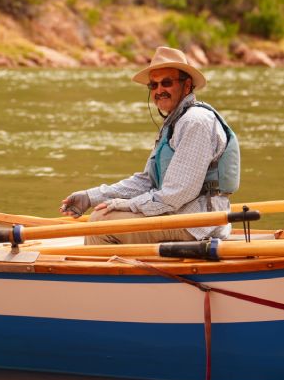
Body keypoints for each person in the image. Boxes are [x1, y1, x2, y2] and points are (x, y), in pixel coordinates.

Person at [59, 46, 240, 244]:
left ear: (187, 85)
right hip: (179, 216)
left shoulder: (194, 121)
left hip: (197, 224)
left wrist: (127, 204)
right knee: (102, 215)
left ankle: (100, 264)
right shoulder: (175, 123)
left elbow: (176, 194)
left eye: (167, 83)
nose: (159, 90)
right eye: (153, 85)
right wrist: (91, 197)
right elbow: (146, 182)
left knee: (100, 222)